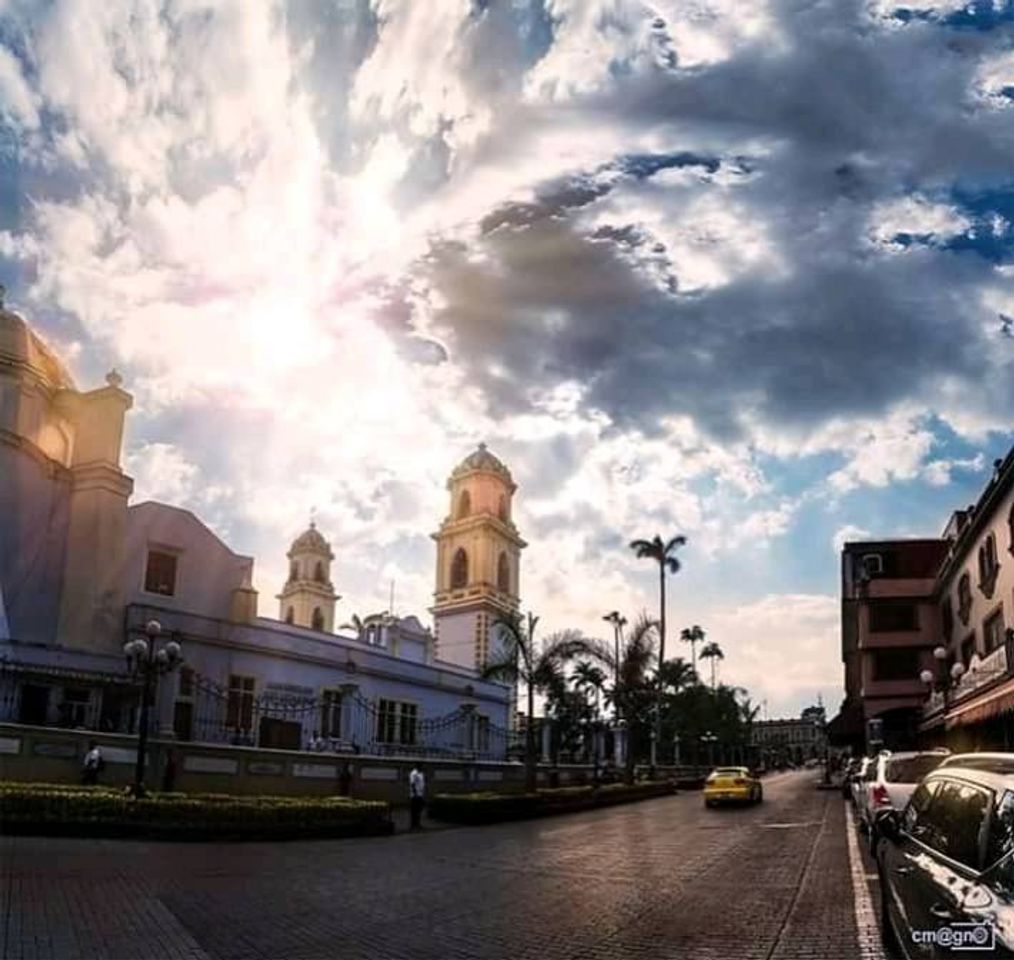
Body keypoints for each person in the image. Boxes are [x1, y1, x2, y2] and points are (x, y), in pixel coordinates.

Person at [409, 764, 426, 830]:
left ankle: (418, 824)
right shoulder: (414, 773)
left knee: (419, 810)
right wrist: (415, 794)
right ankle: (413, 825)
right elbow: (412, 784)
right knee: (414, 811)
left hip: (420, 794)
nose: (422, 768)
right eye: (422, 767)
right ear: (418, 767)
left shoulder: (421, 774)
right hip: (415, 796)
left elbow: (422, 784)